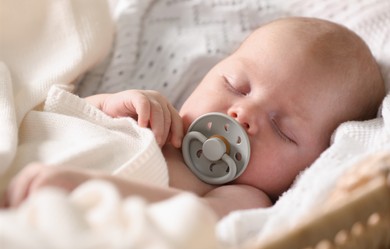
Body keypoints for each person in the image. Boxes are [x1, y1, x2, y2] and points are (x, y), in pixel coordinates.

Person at [4, 17, 385, 219]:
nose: (242, 114)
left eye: (282, 130)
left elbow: (199, 220)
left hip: (70, 211)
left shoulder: (244, 197)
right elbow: (57, 115)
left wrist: (90, 189)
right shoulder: (158, 117)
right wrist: (111, 104)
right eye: (236, 85)